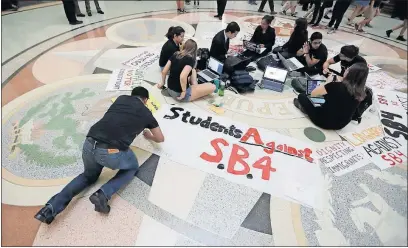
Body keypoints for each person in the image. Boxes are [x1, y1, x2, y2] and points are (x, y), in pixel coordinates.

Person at [34, 87, 164, 224]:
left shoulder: (121, 99)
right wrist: (149, 135)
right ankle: (103, 194)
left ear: (132, 95)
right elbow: (160, 138)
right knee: (132, 167)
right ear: (146, 100)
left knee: (87, 176)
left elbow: (119, 119)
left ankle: (49, 209)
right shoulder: (147, 113)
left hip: (89, 143)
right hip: (111, 151)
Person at [294, 63, 369, 130]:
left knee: (302, 96)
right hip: (341, 125)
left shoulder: (335, 86)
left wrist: (327, 82)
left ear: (350, 73)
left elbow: (313, 94)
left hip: (324, 122)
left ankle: (305, 109)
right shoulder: (362, 92)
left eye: (348, 69)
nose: (345, 70)